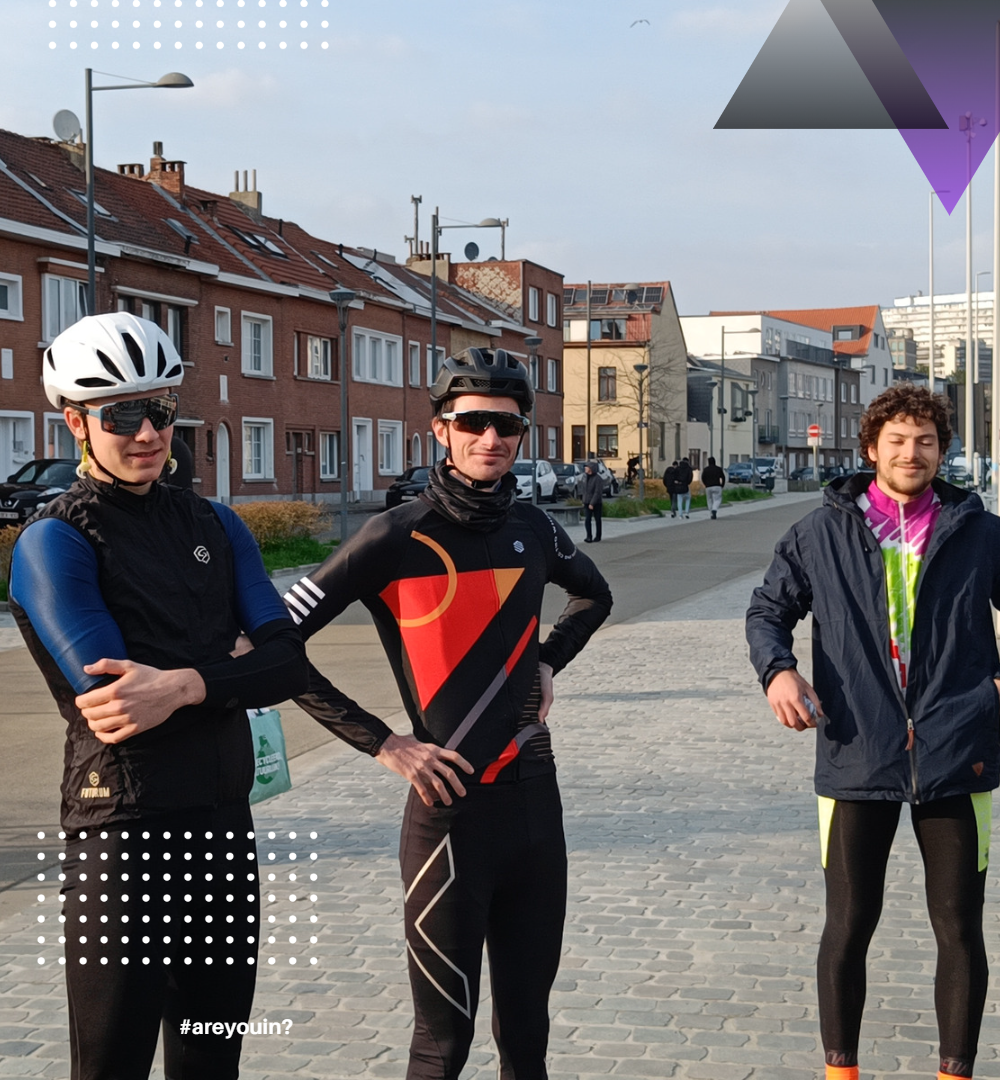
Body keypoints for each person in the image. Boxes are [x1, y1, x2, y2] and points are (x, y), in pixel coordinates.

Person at [286, 347, 612, 1080]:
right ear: (441, 429)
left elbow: (595, 597)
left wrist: (547, 659)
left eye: (509, 426)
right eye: (473, 423)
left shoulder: (534, 528)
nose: (491, 439)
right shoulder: (394, 535)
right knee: (441, 1046)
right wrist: (382, 743)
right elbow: (278, 648)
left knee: (528, 1034)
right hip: (450, 816)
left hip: (535, 808)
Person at [7, 312, 308, 1080]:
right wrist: (229, 661)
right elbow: (114, 698)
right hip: (124, 835)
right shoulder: (55, 540)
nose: (148, 434)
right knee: (112, 1065)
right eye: (122, 414)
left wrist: (186, 681)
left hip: (221, 827)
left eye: (162, 411)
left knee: (212, 1059)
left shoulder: (218, 523)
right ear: (74, 420)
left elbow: (287, 665)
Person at [745, 384, 1000, 1080]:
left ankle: (956, 1073)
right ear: (871, 449)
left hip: (958, 755)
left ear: (942, 450)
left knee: (958, 929)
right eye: (896, 440)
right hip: (855, 750)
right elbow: (768, 611)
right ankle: (842, 1073)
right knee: (848, 926)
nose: (911, 452)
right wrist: (777, 672)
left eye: (924, 440)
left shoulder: (982, 534)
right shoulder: (819, 533)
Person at [582, 460, 604, 543]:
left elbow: (597, 492)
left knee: (597, 519)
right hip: (587, 502)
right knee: (587, 520)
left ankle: (598, 536)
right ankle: (589, 536)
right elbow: (584, 490)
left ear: (591, 468)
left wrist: (592, 503)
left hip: (596, 503)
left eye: (586, 467)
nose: (585, 468)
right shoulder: (585, 477)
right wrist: (584, 500)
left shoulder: (598, 479)